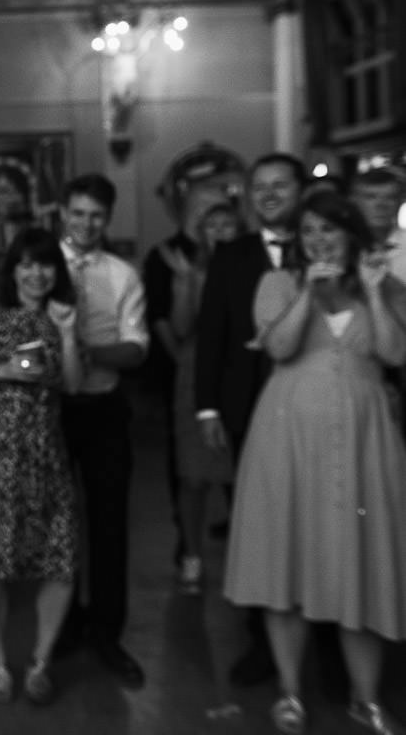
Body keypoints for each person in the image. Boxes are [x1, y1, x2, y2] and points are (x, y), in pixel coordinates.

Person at [223, 189, 406, 735]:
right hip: (288, 436)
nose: (318, 240)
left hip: (362, 437)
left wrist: (373, 295)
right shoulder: (278, 283)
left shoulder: (388, 285)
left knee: (361, 561)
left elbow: (395, 354)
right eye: (308, 232)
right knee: (289, 556)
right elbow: (278, 347)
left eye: (329, 229)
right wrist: (309, 290)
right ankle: (290, 692)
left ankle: (366, 698)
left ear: (351, 233)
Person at [0, 227, 83, 704]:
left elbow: (74, 385)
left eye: (45, 264)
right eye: (27, 263)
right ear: (13, 269)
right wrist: (2, 371)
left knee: (59, 557)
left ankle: (42, 661)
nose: (37, 273)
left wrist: (66, 330)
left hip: (45, 452)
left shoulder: (58, 316)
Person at [193, 153, 304, 687]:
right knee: (257, 529)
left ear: (300, 190)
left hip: (312, 412)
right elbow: (211, 331)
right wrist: (208, 406)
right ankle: (262, 644)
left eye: (279, 185)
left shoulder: (322, 245)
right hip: (247, 408)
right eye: (259, 186)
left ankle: (321, 644)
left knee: (315, 525)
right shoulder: (232, 254)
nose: (267, 194)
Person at [54, 174, 148, 688]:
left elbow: (137, 348)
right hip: (51, 410)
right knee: (58, 522)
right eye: (78, 213)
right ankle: (64, 624)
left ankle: (108, 633)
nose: (86, 224)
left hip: (104, 408)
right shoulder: (41, 267)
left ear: (106, 219)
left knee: (109, 523)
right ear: (63, 213)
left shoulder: (122, 274)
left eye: (96, 216)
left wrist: (86, 352)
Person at [156, 195, 241, 595]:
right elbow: (180, 325)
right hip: (195, 373)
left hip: (241, 373)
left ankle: (249, 560)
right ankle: (191, 557)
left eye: (228, 224)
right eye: (213, 224)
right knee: (193, 474)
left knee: (243, 473)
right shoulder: (191, 268)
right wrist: (187, 282)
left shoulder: (255, 266)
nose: (221, 231)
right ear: (202, 232)